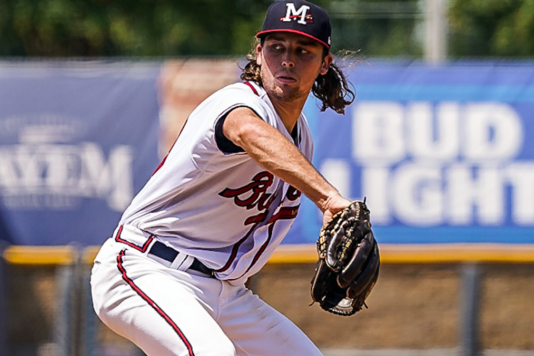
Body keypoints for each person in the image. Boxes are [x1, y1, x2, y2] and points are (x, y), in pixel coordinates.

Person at [90, 1, 378, 355]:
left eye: (303, 50)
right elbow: (246, 131)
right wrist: (329, 198)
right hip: (146, 267)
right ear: (258, 54)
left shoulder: (301, 138)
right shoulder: (238, 102)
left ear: (324, 64)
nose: (287, 59)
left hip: (226, 294)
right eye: (276, 47)